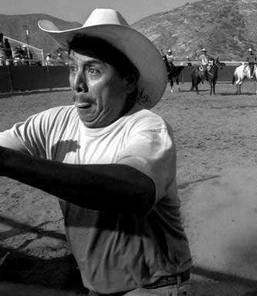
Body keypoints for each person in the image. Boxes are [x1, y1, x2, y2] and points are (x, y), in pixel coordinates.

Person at [0, 8, 192, 296]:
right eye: (72, 68)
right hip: (97, 286)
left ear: (128, 79)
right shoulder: (54, 122)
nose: (77, 84)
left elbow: (133, 190)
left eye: (93, 70)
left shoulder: (148, 128)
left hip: (154, 285)